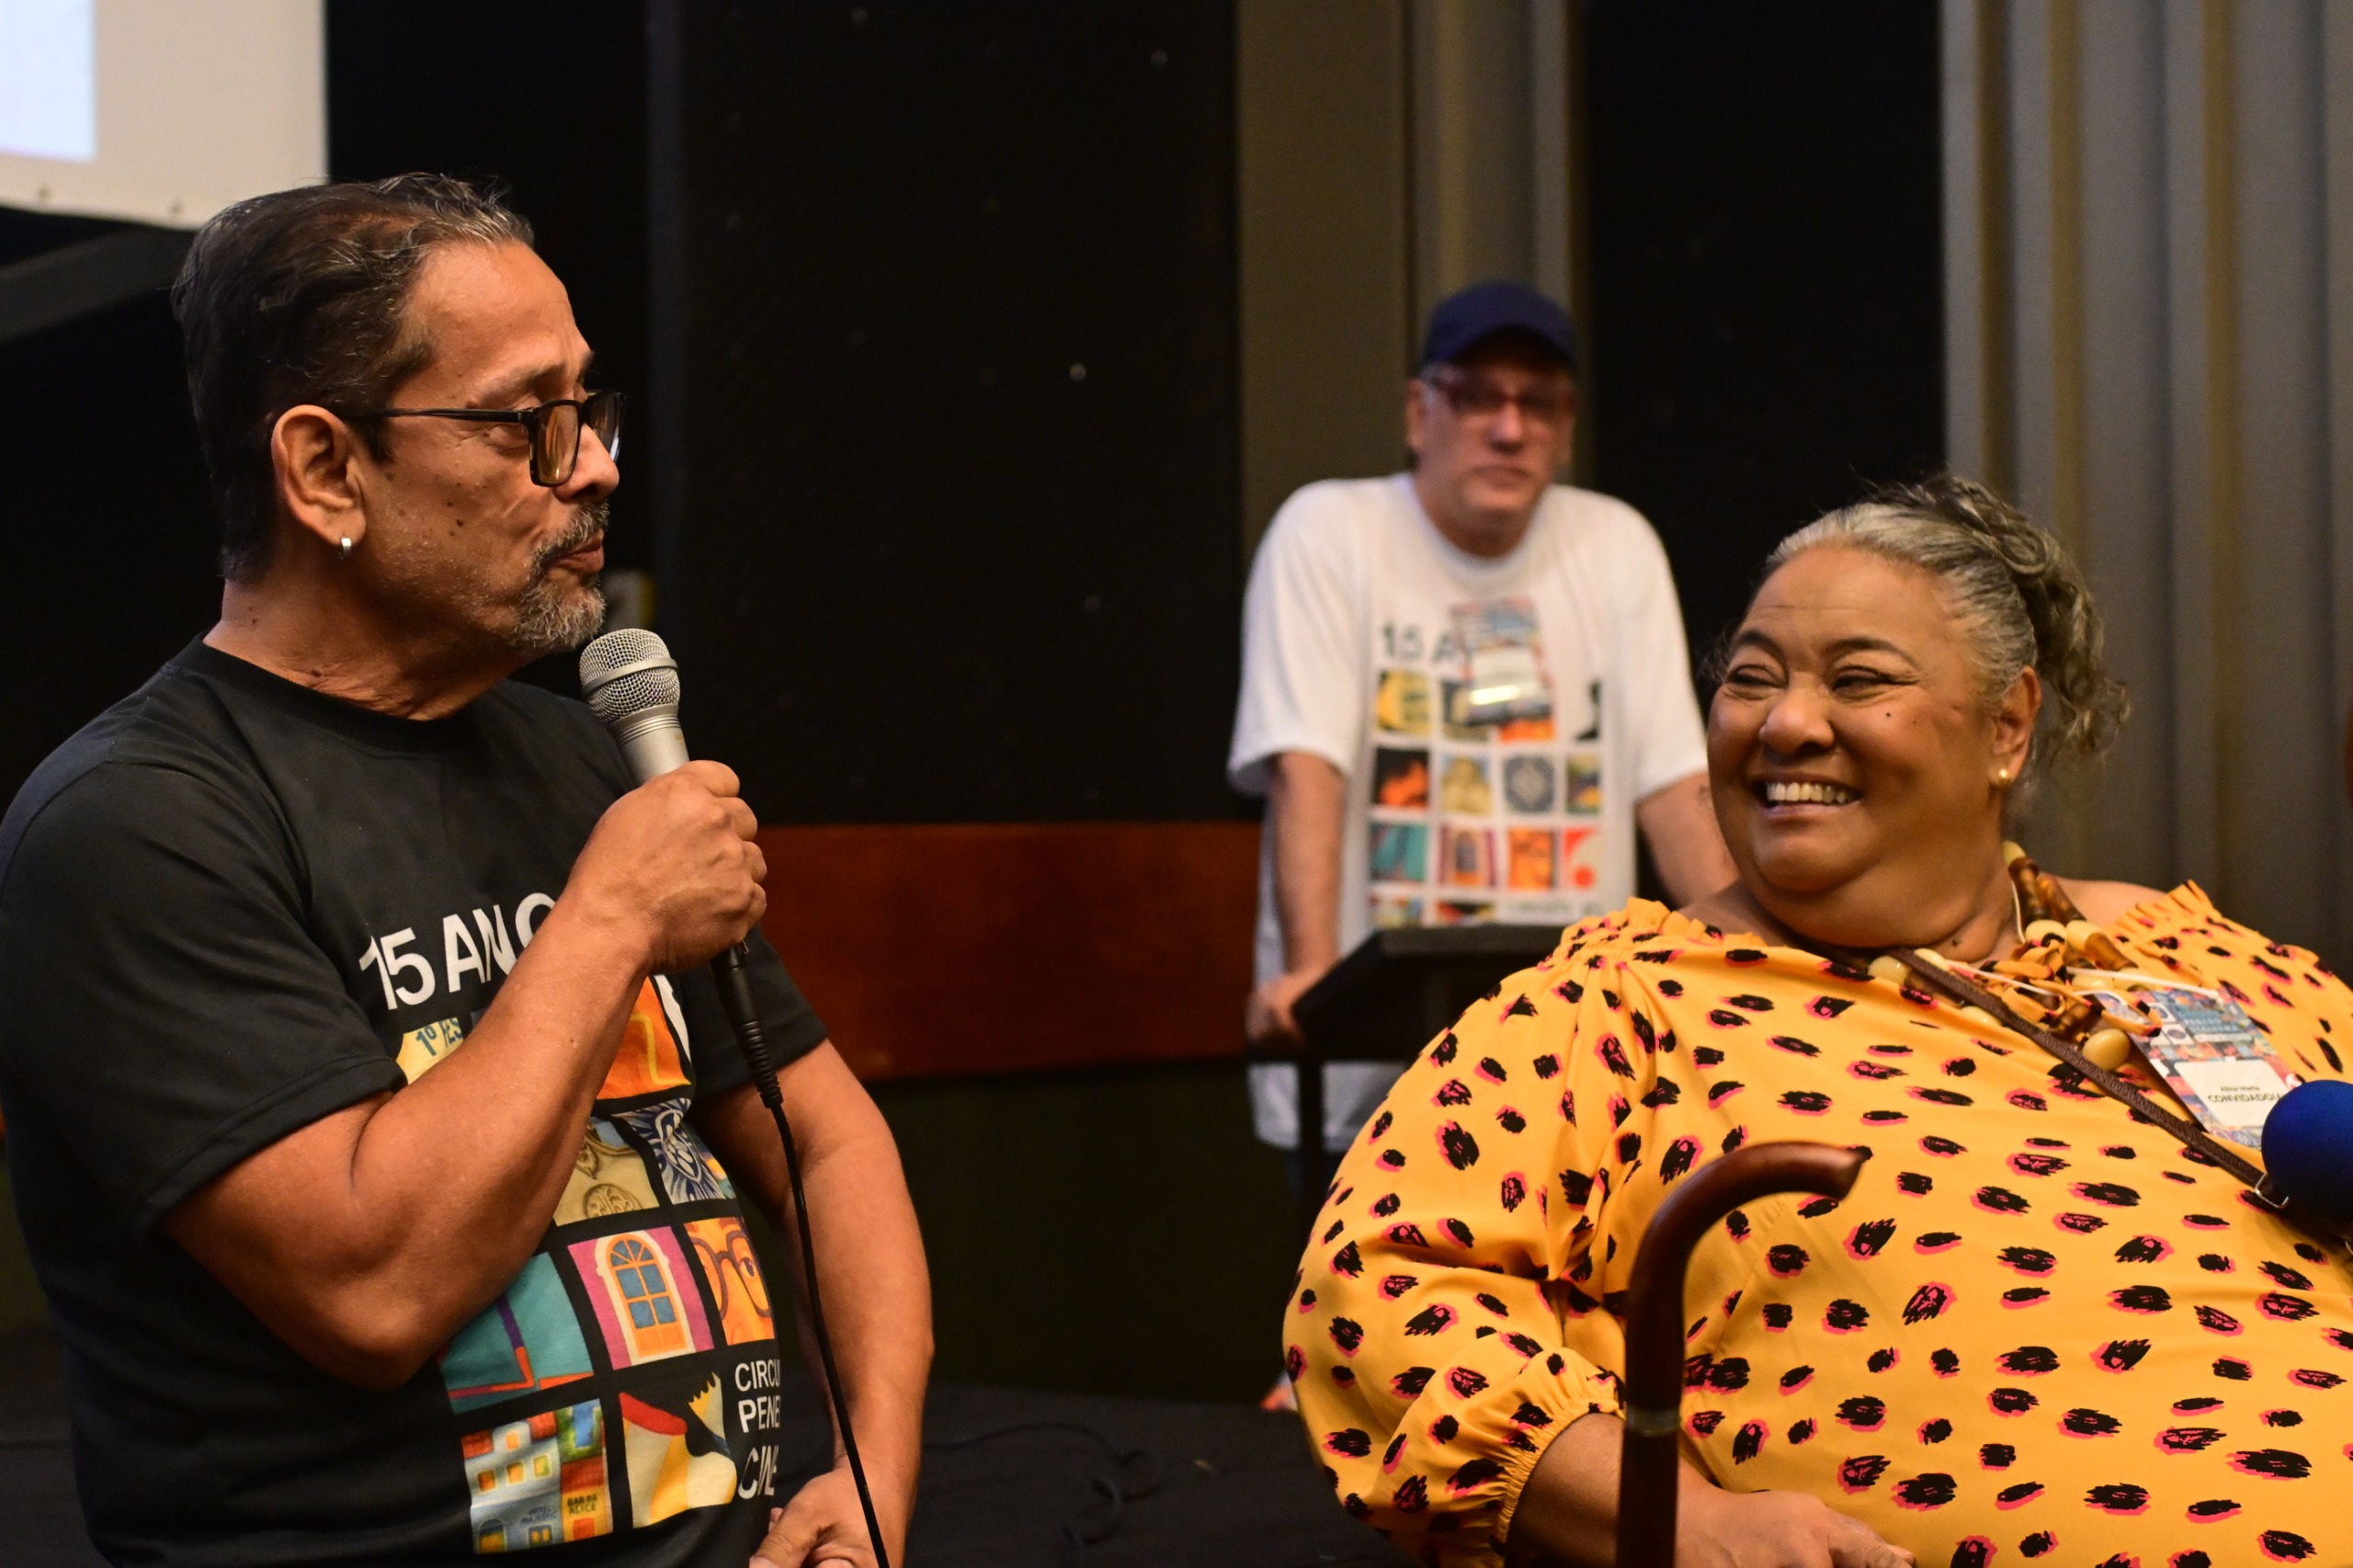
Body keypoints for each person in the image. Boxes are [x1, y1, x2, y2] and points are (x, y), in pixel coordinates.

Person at [0, 176, 929, 1568]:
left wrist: (872, 1471)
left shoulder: (579, 756)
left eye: (589, 408)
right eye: (523, 421)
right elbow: (374, 1291)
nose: (595, 465)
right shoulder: (134, 823)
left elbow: (828, 1143)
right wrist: (611, 914)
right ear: (327, 471)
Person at [1285, 474, 2353, 1566]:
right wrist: (1686, 1523)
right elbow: (1372, 1287)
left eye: (1858, 679)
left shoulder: (2191, 958)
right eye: (1750, 679)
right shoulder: (1618, 1003)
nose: (1786, 722)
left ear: (2006, 724)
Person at [1230, 279, 1734, 1172]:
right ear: (1417, 412)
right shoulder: (1330, 532)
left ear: (1566, 427)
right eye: (1476, 398)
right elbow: (1305, 767)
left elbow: (1673, 789)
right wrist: (1312, 983)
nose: (1509, 428)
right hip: (1372, 1073)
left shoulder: (1615, 545)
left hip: (1579, 1065)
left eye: (1538, 403)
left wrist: (1746, 978)